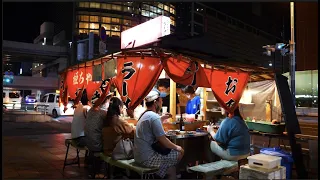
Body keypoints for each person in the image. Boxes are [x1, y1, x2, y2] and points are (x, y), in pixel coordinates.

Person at [134, 89, 184, 179]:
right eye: (161, 100)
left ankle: (167, 173)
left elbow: (151, 124)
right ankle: (161, 174)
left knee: (171, 169)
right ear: (155, 102)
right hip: (148, 159)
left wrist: (162, 118)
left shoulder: (145, 115)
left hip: (138, 156)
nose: (162, 102)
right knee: (179, 153)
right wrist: (178, 147)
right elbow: (163, 140)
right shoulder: (154, 117)